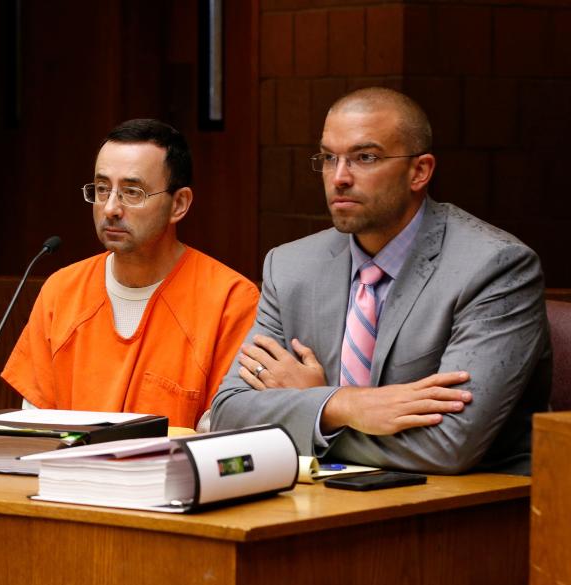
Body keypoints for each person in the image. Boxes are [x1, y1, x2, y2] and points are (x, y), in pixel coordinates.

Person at [212, 87, 550, 475]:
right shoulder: (290, 267)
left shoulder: (495, 267)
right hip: (325, 504)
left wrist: (309, 409)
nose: (339, 178)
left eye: (365, 158)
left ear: (419, 171)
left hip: (463, 513)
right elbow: (229, 412)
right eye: (328, 158)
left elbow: (448, 445)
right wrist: (342, 405)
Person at [1, 119, 259, 429]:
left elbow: (223, 436)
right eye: (101, 189)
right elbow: (35, 427)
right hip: (66, 473)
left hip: (172, 474)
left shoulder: (230, 300)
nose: (110, 208)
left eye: (132, 192)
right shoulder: (62, 290)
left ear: (179, 204)